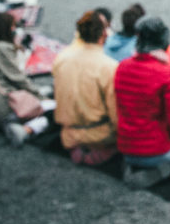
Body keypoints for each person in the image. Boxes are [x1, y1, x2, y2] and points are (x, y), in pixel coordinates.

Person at [113, 16, 170, 188]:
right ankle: (160, 172)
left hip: (126, 146)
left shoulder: (122, 67)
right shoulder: (165, 72)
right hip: (157, 149)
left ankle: (134, 166)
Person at [0, 11, 55, 147]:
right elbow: (18, 78)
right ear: (6, 28)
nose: (15, 29)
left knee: (47, 97)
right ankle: (25, 129)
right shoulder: (2, 48)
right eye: (12, 26)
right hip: (5, 106)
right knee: (57, 111)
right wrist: (41, 97)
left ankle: (15, 125)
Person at [51, 10, 119, 166]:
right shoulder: (109, 67)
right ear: (104, 34)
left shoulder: (62, 58)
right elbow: (115, 113)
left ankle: (80, 151)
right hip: (99, 133)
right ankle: (96, 154)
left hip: (68, 132)